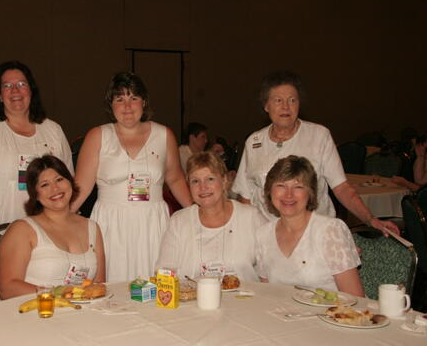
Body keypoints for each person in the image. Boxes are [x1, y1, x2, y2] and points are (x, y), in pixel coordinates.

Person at [0, 60, 73, 311]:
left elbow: (66, 181)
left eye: (21, 84)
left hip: (46, 238)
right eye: (7, 86)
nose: (15, 90)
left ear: (31, 90)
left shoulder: (52, 131)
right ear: (0, 95)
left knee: (44, 301)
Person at [232, 70, 398, 235]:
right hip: (269, 237)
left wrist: (371, 219)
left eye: (292, 100)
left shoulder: (319, 136)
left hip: (315, 234)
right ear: (266, 106)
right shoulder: (254, 142)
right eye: (278, 100)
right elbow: (246, 198)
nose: (285, 106)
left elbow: (342, 188)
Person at [72, 71, 192, 282]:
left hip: (152, 223)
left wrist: (196, 214)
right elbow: (81, 186)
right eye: (120, 99)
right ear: (111, 105)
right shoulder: (97, 136)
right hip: (111, 223)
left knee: (157, 286)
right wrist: (54, 222)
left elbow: (175, 179)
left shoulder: (164, 134)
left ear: (144, 102)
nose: (127, 106)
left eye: (133, 98)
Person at [0, 155, 105, 300]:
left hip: (78, 312)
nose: (55, 188)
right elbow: (7, 288)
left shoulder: (92, 227)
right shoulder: (22, 229)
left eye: (59, 180)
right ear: (35, 195)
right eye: (44, 185)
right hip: (31, 312)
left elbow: (99, 284)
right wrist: (57, 294)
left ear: (71, 182)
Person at [255, 155, 364, 296]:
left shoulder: (330, 230)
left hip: (333, 314)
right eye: (281, 185)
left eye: (298, 187)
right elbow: (268, 295)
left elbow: (355, 298)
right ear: (269, 191)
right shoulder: (263, 235)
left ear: (310, 193)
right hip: (283, 315)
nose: (289, 195)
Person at [156, 151, 265, 282]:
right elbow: (164, 272)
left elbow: (270, 270)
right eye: (195, 181)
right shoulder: (179, 221)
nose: (203, 187)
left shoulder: (251, 217)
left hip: (244, 299)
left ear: (224, 181)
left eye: (210, 179)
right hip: (193, 300)